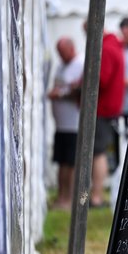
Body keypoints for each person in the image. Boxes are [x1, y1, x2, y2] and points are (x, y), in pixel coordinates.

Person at [83, 22, 126, 207]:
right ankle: (97, 194)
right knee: (98, 152)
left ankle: (97, 196)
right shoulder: (113, 46)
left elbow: (101, 80)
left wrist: (81, 85)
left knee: (97, 152)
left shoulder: (107, 49)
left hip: (103, 108)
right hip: (109, 108)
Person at [47, 37, 84, 210]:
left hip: (73, 123)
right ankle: (62, 196)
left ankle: (69, 199)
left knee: (70, 163)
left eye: (62, 53)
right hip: (61, 124)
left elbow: (81, 90)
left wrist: (60, 95)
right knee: (62, 162)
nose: (60, 56)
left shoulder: (80, 63)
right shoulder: (62, 65)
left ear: (71, 48)